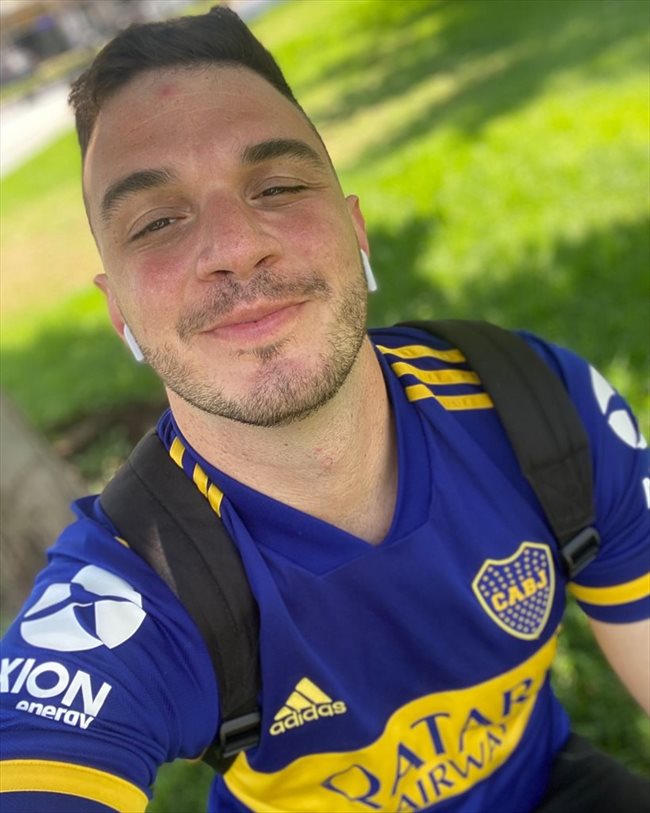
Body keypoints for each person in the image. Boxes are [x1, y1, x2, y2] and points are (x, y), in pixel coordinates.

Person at [1, 6, 648, 812]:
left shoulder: (535, 407)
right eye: (158, 221)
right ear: (119, 312)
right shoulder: (127, 592)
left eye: (276, 186)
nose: (235, 246)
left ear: (356, 231)